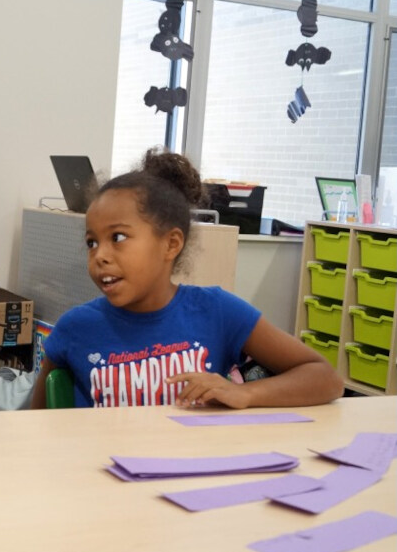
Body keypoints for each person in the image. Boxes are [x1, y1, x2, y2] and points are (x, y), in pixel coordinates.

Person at [30, 148, 343, 410]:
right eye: (92, 242)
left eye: (118, 237)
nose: (100, 255)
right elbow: (36, 424)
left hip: (193, 463)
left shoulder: (217, 310)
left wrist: (245, 393)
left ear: (171, 244)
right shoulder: (75, 327)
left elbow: (325, 377)